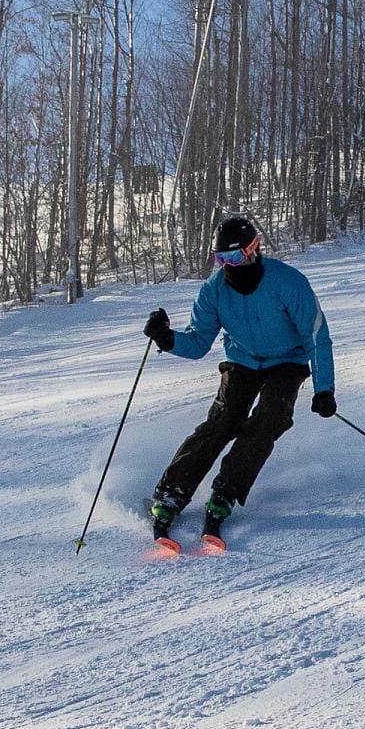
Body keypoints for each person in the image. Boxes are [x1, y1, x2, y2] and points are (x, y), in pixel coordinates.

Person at [141, 214, 335, 549]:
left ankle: (225, 493)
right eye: (221, 259)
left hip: (286, 361)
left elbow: (317, 336)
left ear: (254, 249)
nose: (229, 266)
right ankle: (172, 492)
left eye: (235, 257)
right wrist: (166, 338)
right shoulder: (214, 290)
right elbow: (198, 342)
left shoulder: (288, 283)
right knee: (223, 421)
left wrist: (324, 389)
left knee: (271, 417)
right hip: (242, 361)